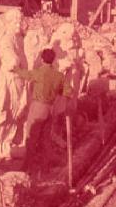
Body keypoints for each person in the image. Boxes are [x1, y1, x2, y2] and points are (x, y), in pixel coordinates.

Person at [13, 48, 72, 176]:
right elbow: (68, 91)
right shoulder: (59, 75)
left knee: (31, 138)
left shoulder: (40, 72)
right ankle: (45, 168)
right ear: (54, 60)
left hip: (38, 107)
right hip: (51, 109)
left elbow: (26, 74)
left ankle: (27, 167)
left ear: (41, 59)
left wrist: (16, 70)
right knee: (46, 140)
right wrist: (60, 98)